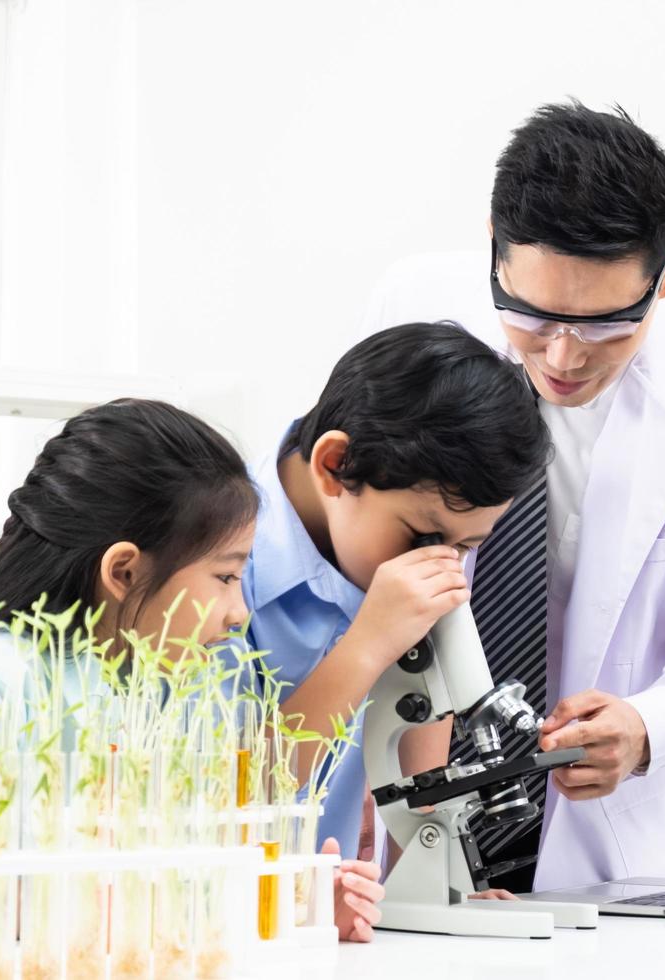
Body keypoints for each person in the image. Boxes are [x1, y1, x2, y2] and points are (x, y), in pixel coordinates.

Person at [363, 101, 665, 893]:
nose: (563, 355)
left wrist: (649, 727)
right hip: (391, 819)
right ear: (495, 251)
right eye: (532, 316)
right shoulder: (409, 313)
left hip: (602, 857)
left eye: (605, 323)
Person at [0, 399, 385, 939]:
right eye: (224, 577)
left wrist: (292, 909)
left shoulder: (171, 689)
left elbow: (175, 884)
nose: (238, 612)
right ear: (123, 571)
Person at [241, 321, 550, 868]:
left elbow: (423, 776)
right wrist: (367, 645)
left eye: (467, 546)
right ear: (336, 467)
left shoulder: (428, 532)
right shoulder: (210, 560)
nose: (442, 565)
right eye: (424, 537)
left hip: (334, 917)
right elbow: (222, 794)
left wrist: (447, 888)